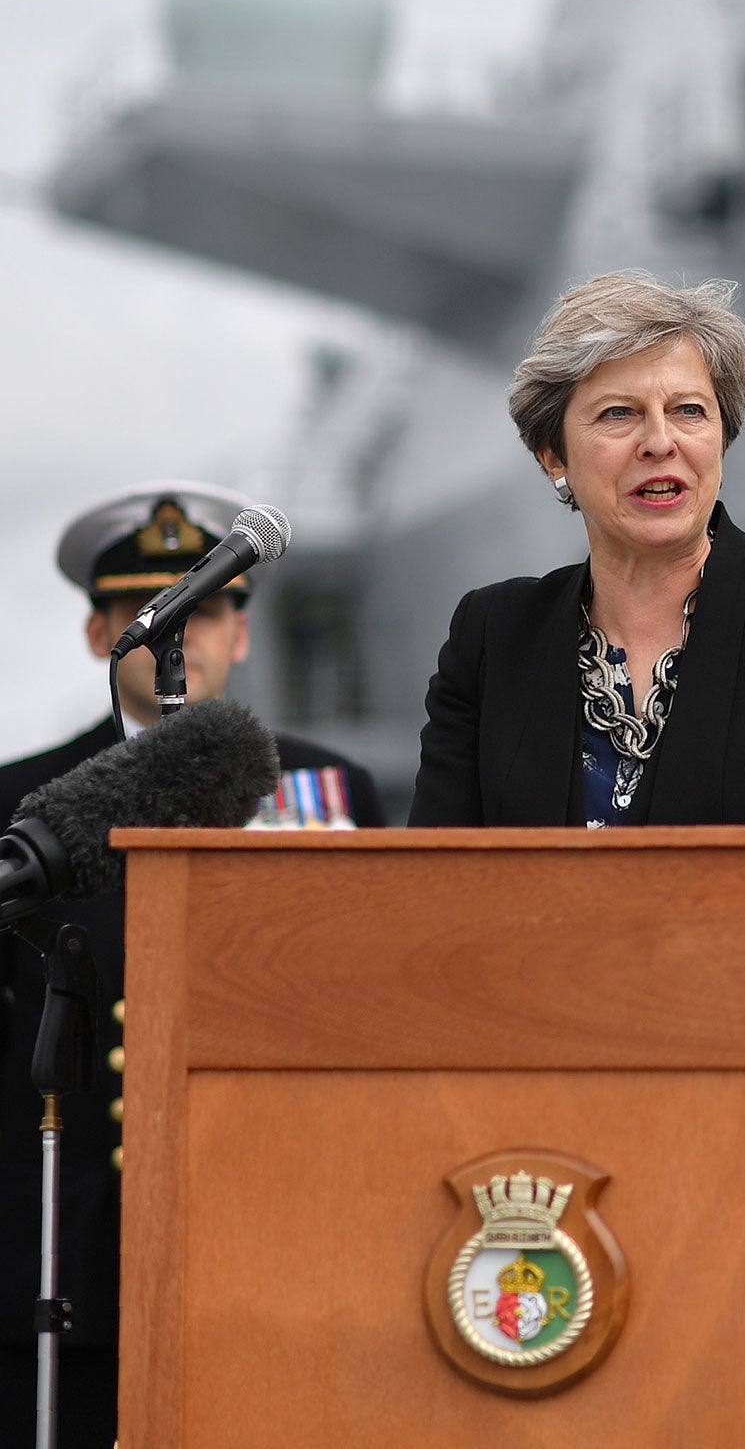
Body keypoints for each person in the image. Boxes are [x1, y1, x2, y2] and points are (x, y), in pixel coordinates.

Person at [0, 482, 385, 1447]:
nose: (182, 634)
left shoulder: (328, 788)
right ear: (100, 636)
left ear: (240, 635)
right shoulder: (21, 802)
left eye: (206, 609)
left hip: (274, 1212)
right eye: (146, 611)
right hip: (69, 1237)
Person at [409, 271, 745, 828]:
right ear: (554, 456)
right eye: (618, 414)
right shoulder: (492, 634)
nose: (659, 441)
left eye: (689, 410)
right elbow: (433, 879)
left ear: (722, 436)